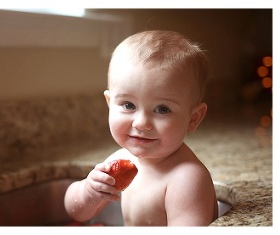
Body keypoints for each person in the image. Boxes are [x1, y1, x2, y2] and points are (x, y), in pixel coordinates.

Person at [63, 30, 217, 226]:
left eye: (162, 109)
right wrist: (89, 192)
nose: (141, 123)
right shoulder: (121, 160)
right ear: (110, 103)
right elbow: (77, 213)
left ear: (193, 119)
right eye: (128, 105)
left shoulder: (186, 179)